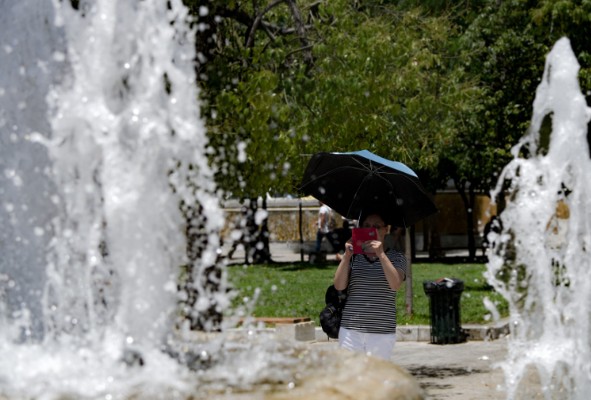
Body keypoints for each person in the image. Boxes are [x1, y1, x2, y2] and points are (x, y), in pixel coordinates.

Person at [333, 211, 407, 361]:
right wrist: (346, 256)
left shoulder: (397, 257)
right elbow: (339, 285)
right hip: (350, 329)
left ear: (386, 230)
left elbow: (395, 284)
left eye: (376, 227)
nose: (371, 230)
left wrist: (381, 254)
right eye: (366, 226)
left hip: (381, 332)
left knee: (375, 380)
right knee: (350, 378)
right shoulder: (354, 256)